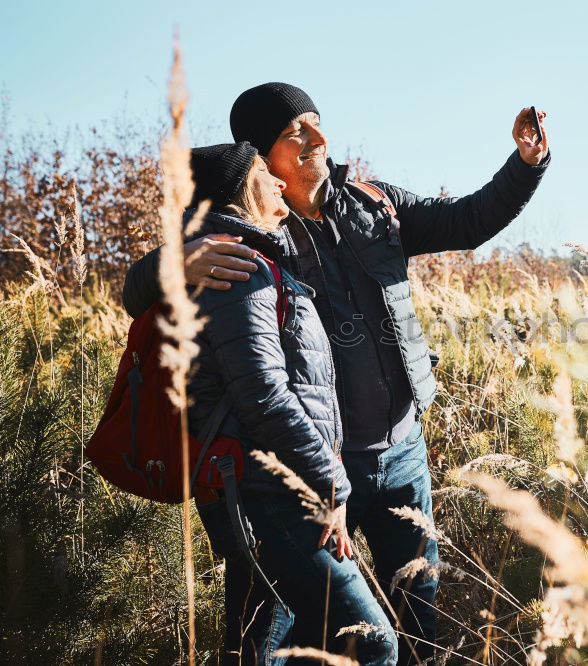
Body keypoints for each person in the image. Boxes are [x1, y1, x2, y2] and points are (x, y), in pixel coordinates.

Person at [122, 84, 550, 664]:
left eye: (316, 124)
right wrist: (173, 261)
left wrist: (525, 165)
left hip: (403, 450)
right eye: (294, 132)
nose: (316, 140)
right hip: (322, 461)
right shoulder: (251, 233)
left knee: (417, 613)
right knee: (318, 633)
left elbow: (466, 222)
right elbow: (138, 290)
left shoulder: (373, 203)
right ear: (257, 156)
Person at [181, 142, 396, 665]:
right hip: (274, 494)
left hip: (267, 487)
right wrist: (330, 486)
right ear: (236, 192)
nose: (279, 182)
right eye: (262, 173)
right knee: (371, 644)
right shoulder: (239, 270)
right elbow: (265, 396)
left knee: (269, 646)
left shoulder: (254, 261)